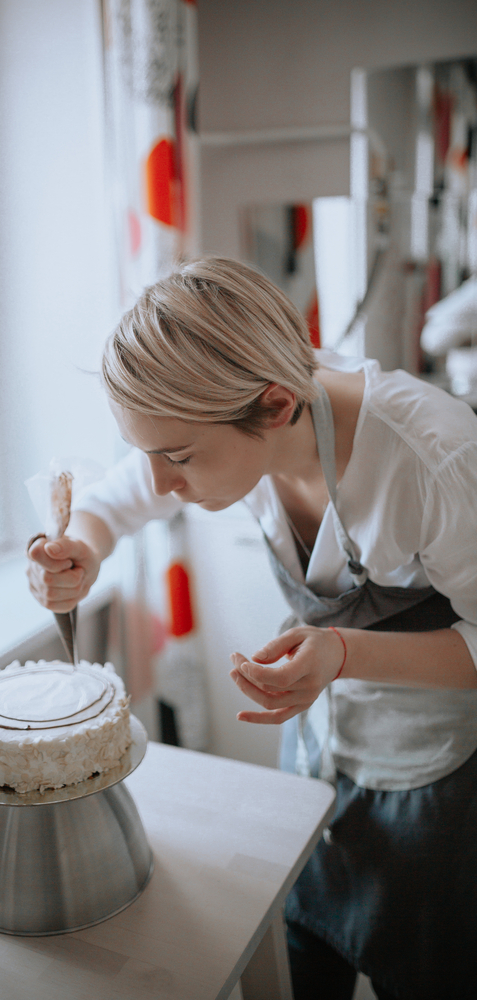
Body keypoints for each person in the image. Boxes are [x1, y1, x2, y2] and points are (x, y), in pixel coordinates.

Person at [26, 256, 477, 1000]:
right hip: (316, 750)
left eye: (176, 459)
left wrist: (341, 652)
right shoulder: (221, 410)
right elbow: (115, 503)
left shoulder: (434, 458)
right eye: (148, 454)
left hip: (432, 769)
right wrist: (83, 551)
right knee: (300, 943)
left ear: (273, 406)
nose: (162, 482)